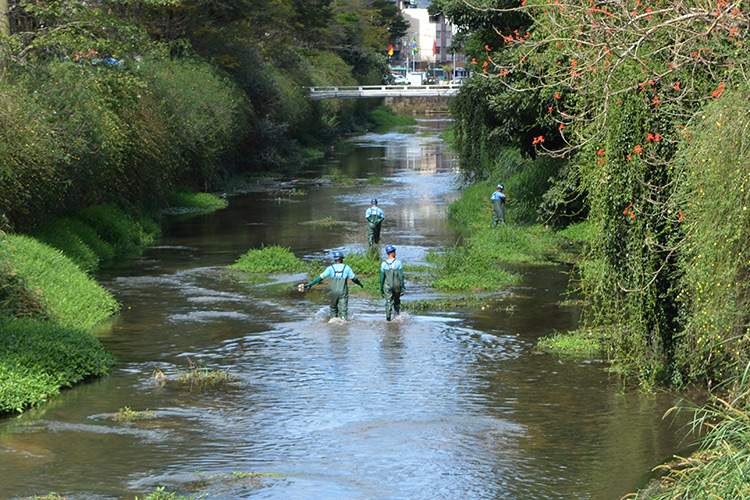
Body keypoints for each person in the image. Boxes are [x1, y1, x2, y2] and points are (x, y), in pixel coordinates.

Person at [304, 251, 364, 320]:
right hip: (343, 293)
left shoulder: (330, 268)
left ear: (335, 259)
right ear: (341, 259)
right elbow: (354, 278)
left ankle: (332, 325)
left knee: (333, 310)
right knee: (343, 312)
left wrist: (310, 284)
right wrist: (359, 283)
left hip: (333, 293)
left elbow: (320, 278)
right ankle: (343, 325)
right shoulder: (347, 268)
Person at [380, 244, 405, 321]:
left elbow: (382, 278)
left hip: (388, 286)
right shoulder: (398, 263)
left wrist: (381, 288)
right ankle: (397, 316)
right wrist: (403, 286)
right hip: (397, 286)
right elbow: (401, 276)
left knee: (388, 302)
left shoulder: (383, 264)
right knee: (397, 301)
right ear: (392, 252)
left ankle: (388, 318)